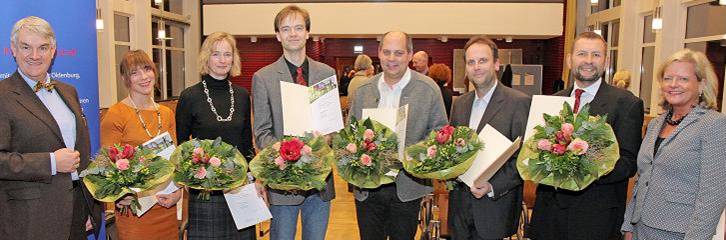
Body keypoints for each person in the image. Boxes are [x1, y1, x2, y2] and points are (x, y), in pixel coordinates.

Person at [528, 31, 645, 240]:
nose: (589, 61)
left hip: (595, 218)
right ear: (569, 60)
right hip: (549, 216)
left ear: (606, 61)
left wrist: (583, 166)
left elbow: (628, 163)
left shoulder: (626, 104)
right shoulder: (552, 101)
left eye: (596, 55)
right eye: (582, 54)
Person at [0, 16, 101, 240]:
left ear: (53, 50)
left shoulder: (68, 92)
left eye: (42, 47)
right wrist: (51, 163)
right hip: (30, 220)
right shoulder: (2, 96)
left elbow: (82, 154)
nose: (35, 56)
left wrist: (89, 206)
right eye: (26, 47)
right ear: (13, 50)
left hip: (76, 212)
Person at [348, 31, 447, 240]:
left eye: (399, 53)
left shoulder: (429, 89)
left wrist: (417, 155)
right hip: (368, 189)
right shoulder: (364, 90)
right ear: (379, 53)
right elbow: (350, 135)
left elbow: (440, 134)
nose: (392, 59)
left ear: (410, 54)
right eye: (387, 52)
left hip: (407, 188)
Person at [621, 49, 726, 240]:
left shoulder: (714, 124)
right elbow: (642, 178)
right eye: (668, 78)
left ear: (701, 84)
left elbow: (713, 194)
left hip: (680, 232)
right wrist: (629, 224)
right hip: (641, 228)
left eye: (683, 79)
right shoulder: (655, 124)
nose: (673, 85)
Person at [251, 5, 336, 240]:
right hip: (282, 183)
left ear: (308, 33)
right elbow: (262, 132)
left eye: (299, 28)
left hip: (320, 181)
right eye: (286, 29)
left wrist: (326, 138)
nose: (293, 34)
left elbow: (333, 125)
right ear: (278, 35)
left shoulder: (326, 73)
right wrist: (290, 154)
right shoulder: (263, 77)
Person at [176, 31, 257, 239]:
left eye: (227, 54)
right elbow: (182, 147)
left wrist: (253, 179)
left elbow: (247, 142)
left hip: (239, 188)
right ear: (206, 57)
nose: (222, 60)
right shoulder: (189, 96)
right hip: (205, 190)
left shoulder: (242, 96)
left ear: (234, 58)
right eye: (216, 54)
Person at [447, 36, 530, 240]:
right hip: (460, 210)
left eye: (483, 60)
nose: (477, 67)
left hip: (494, 211)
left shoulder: (518, 103)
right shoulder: (460, 104)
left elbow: (525, 159)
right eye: (471, 62)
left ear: (496, 64)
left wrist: (493, 186)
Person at [100, 50, 182, 239]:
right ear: (125, 79)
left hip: (166, 205)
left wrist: (178, 192)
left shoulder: (166, 113)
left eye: (147, 69)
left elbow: (174, 159)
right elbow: (106, 165)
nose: (144, 77)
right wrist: (120, 195)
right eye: (134, 72)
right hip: (135, 209)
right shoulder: (116, 114)